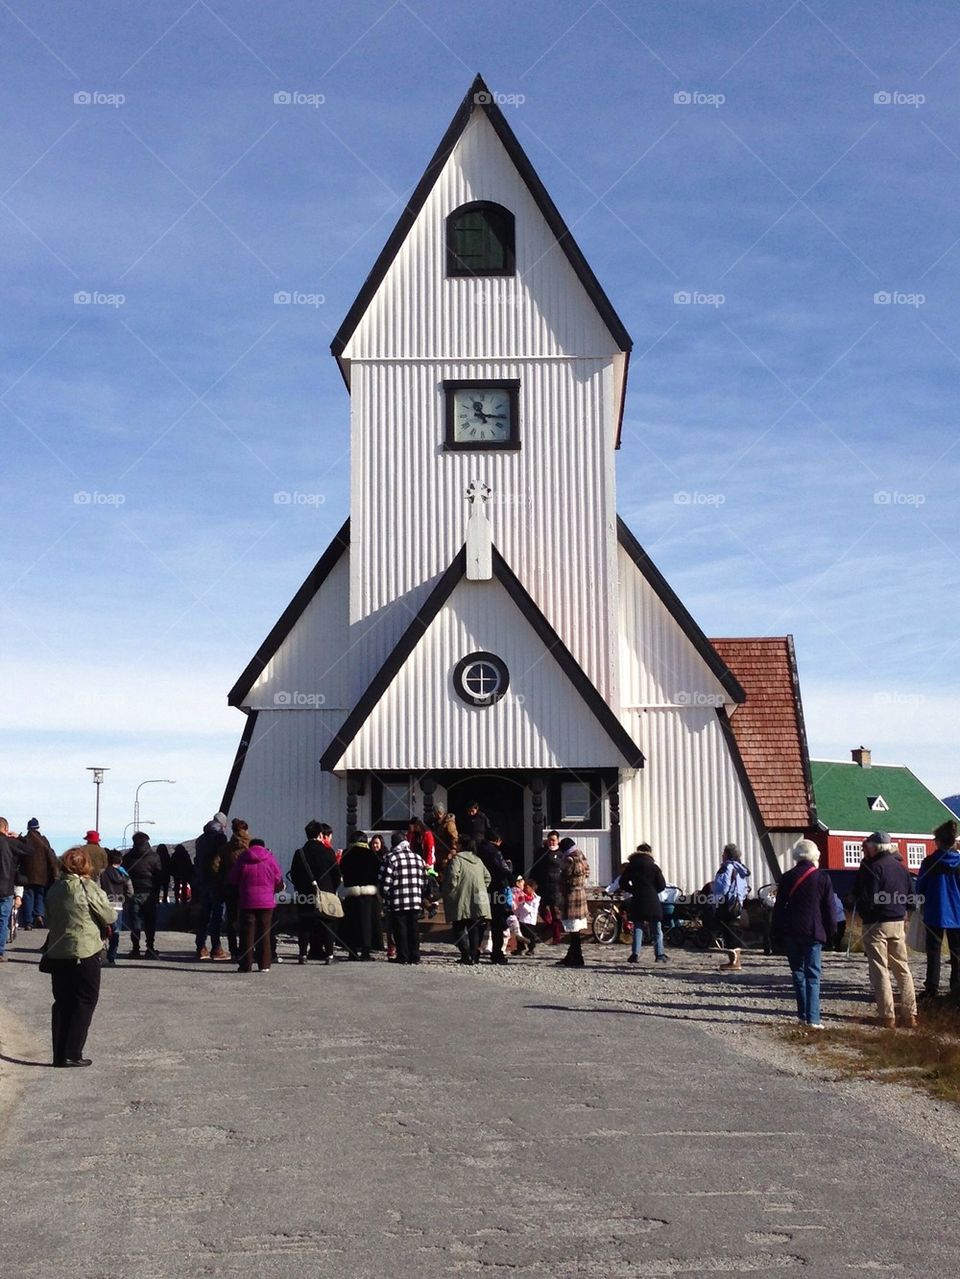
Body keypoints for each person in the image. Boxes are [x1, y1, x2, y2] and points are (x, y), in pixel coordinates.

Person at [44, 846, 116, 1067]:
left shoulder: (54, 889)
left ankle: (59, 1054)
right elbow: (109, 915)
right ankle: (72, 1053)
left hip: (57, 951)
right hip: (84, 951)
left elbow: (49, 917)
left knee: (62, 1002)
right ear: (85, 866)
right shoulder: (87, 887)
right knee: (85, 1000)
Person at [854, 831, 918, 1028]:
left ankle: (886, 1015)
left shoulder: (872, 868)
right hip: (898, 921)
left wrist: (864, 914)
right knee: (902, 968)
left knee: (880, 969)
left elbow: (865, 897)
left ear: (873, 847)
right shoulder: (901, 868)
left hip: (876, 923)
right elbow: (912, 899)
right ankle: (910, 1014)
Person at [771, 840, 836, 1029]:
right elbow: (829, 909)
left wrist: (776, 932)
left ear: (796, 856)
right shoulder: (822, 878)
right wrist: (831, 932)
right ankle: (813, 1019)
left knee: (797, 973)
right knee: (813, 975)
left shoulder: (787, 877)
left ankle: (802, 1015)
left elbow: (779, 907)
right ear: (815, 855)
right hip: (814, 931)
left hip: (791, 931)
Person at [916, 819, 960, 999]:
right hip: (958, 913)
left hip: (935, 911)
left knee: (933, 952)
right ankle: (956, 988)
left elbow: (920, 887)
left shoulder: (929, 862)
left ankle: (931, 988)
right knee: (957, 952)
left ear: (939, 841)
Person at [288, 821, 341, 964]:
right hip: (325, 892)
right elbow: (336, 874)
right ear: (320, 834)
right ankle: (329, 955)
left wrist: (300, 887)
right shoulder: (328, 852)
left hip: (305, 894)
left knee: (305, 924)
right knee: (327, 923)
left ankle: (303, 955)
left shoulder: (299, 853)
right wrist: (332, 888)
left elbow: (294, 874)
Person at [229, 839, 284, 973]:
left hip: (247, 901)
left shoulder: (242, 858)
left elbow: (233, 879)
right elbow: (278, 879)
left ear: (250, 846)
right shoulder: (270, 859)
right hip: (266, 902)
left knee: (246, 933)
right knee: (264, 933)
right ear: (263, 847)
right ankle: (264, 964)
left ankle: (246, 965)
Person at [442, 836, 490, 965]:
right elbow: (487, 877)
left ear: (462, 845)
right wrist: (480, 888)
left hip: (460, 898)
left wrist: (450, 891)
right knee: (473, 928)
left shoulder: (457, 859)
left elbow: (453, 877)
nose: (455, 846)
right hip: (477, 899)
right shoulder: (478, 860)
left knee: (458, 926)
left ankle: (465, 954)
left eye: (457, 844)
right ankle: (474, 956)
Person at [379, 831, 425, 964]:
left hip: (397, 900)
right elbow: (424, 880)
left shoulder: (391, 858)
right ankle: (415, 956)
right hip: (415, 900)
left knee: (400, 929)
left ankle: (403, 956)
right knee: (414, 929)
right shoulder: (418, 858)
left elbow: (385, 880)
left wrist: (384, 894)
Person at [619, 843, 668, 964]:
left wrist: (633, 890)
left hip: (637, 899)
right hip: (652, 900)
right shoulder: (653, 866)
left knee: (638, 927)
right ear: (649, 853)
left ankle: (635, 954)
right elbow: (662, 885)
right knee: (657, 928)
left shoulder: (631, 866)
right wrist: (652, 891)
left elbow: (622, 882)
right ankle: (659, 954)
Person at [340, 830, 381, 960]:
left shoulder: (346, 854)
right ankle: (366, 952)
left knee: (352, 923)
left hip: (351, 894)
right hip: (368, 895)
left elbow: (341, 871)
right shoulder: (371, 854)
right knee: (367, 923)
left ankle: (352, 952)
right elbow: (378, 872)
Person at [122, 832, 163, 959]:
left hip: (133, 893)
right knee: (150, 922)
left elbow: (123, 875)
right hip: (149, 894)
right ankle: (150, 948)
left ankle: (135, 949)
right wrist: (157, 893)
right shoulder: (154, 857)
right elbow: (159, 877)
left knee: (135, 922)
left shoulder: (128, 857)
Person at [194, 813, 229, 960]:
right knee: (216, 915)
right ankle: (216, 947)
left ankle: (201, 947)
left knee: (204, 914)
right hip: (217, 881)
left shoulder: (200, 839)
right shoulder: (220, 838)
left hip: (203, 881)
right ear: (222, 825)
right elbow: (222, 859)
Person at [712, 844, 751, 971]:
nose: (722, 855)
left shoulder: (727, 867)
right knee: (735, 930)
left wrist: (714, 900)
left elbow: (722, 887)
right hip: (738, 903)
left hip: (727, 903)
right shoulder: (740, 869)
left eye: (724, 853)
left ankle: (734, 962)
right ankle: (736, 960)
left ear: (728, 855)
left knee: (729, 932)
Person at [477, 830, 514, 964]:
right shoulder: (495, 852)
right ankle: (497, 954)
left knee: (481, 921)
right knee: (498, 923)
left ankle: (475, 951)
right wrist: (510, 873)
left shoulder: (478, 850)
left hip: (482, 889)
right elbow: (503, 870)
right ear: (498, 840)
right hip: (497, 889)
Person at [220, 819, 251, 960]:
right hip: (248, 887)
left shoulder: (226, 848)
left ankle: (234, 950)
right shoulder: (251, 845)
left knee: (231, 919)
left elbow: (215, 865)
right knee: (247, 919)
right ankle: (246, 948)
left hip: (230, 887)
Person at [556, 837, 590, 967]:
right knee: (576, 929)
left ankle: (578, 957)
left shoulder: (570, 859)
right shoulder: (581, 856)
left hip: (571, 896)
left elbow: (566, 876)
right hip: (580, 893)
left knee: (573, 930)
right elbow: (587, 872)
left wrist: (561, 884)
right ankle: (571, 956)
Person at [20, 818, 58, 930]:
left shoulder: (25, 840)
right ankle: (39, 916)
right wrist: (54, 872)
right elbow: (50, 857)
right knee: (40, 896)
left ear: (28, 828)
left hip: (27, 875)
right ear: (38, 828)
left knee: (28, 897)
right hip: (42, 876)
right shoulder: (44, 840)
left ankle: (28, 922)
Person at [99, 849, 133, 965]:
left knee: (102, 930)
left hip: (104, 905)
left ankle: (101, 954)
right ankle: (112, 957)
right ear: (121, 861)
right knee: (115, 932)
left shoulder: (102, 873)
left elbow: (97, 888)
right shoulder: (124, 874)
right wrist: (124, 900)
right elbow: (130, 891)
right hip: (118, 905)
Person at [0, 817, 28, 960]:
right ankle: (0, 952)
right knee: (2, 921)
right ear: (6, 829)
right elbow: (30, 850)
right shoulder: (11, 843)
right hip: (6, 887)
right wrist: (20, 838)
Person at [530, 831, 564, 944]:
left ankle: (556, 937)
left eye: (553, 840)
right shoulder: (541, 852)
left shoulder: (561, 853)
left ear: (558, 840)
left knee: (555, 911)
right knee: (541, 909)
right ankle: (550, 925)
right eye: (549, 840)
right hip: (543, 885)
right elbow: (535, 867)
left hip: (556, 887)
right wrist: (531, 882)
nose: (551, 842)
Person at [512, 874, 540, 956]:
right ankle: (520, 948)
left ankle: (531, 948)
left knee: (529, 935)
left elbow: (531, 910)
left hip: (529, 919)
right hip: (520, 918)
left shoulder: (536, 899)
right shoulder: (522, 895)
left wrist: (523, 903)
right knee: (519, 934)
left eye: (527, 887)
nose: (525, 889)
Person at [431, 806, 459, 876]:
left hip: (446, 854)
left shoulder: (449, 823)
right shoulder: (437, 823)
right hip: (439, 854)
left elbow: (454, 838)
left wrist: (453, 850)